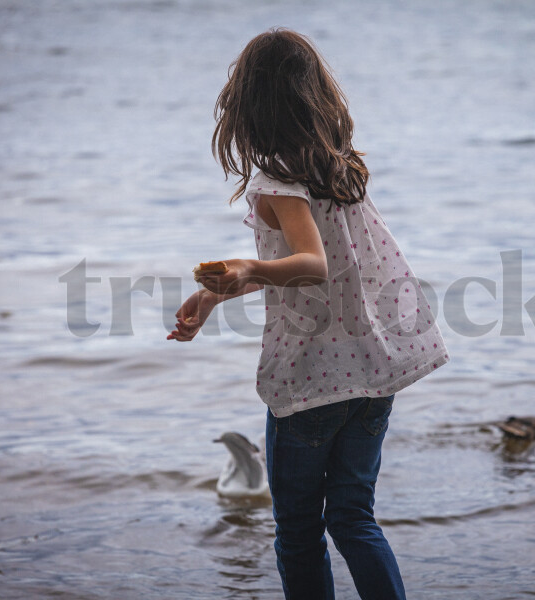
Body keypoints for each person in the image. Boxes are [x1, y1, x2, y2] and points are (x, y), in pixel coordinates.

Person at [167, 28, 448, 600]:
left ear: (247, 107)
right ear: (316, 95)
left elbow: (312, 266)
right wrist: (214, 296)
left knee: (298, 532)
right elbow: (314, 270)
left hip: (313, 382)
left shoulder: (279, 182)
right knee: (352, 517)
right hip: (372, 374)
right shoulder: (340, 171)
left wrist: (246, 269)